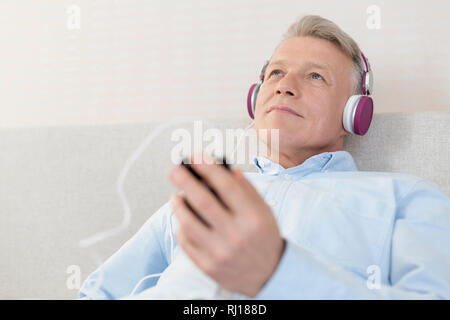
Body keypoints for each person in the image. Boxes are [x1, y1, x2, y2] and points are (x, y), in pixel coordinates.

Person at [78, 15, 450, 300]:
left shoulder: (405, 198)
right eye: (276, 73)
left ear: (355, 113)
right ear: (255, 99)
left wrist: (279, 272)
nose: (285, 86)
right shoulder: (201, 200)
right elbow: (98, 293)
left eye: (316, 77)